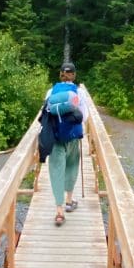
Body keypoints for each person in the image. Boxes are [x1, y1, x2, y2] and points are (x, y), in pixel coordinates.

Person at [44, 61, 90, 226]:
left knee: (57, 171)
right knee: (71, 166)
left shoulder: (51, 92)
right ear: (74, 75)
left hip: (56, 139)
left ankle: (59, 211)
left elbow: (46, 115)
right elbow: (85, 116)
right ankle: (70, 201)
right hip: (72, 137)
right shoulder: (78, 92)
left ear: (60, 74)